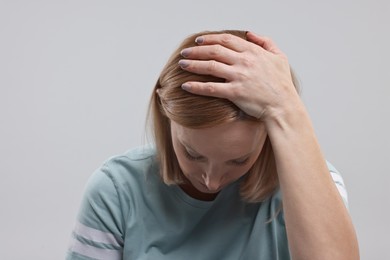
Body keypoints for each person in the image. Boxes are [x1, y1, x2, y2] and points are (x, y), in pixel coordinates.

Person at [66, 30, 359, 260]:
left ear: (269, 135)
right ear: (165, 118)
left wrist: (287, 108)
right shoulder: (116, 190)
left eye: (238, 160)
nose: (212, 180)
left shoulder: (316, 185)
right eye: (192, 154)